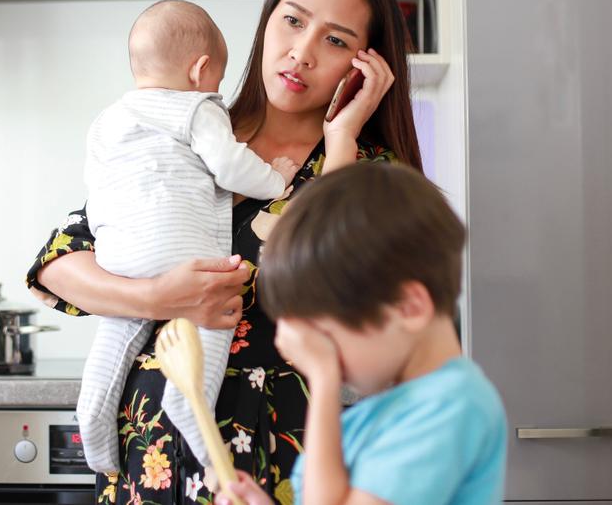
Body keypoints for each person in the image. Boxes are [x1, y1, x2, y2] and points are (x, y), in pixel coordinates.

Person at [26, 0, 423, 504]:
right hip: (147, 458)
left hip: (268, 464)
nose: (302, 53)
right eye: (293, 21)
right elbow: (59, 264)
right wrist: (157, 295)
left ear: (366, 63)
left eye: (335, 40)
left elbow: (344, 305)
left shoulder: (370, 171)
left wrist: (342, 140)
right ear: (267, 25)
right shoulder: (185, 124)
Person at [78, 0, 299, 474]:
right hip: (184, 251)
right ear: (200, 70)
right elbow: (229, 165)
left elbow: (95, 189)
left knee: (112, 345)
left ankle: (92, 426)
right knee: (214, 314)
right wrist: (276, 180)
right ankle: (191, 409)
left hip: (118, 255)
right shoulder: (198, 108)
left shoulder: (107, 120)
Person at [217, 163, 507, 505]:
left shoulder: (452, 406)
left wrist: (324, 380)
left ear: (408, 307)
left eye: (328, 337)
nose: (319, 355)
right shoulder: (390, 408)